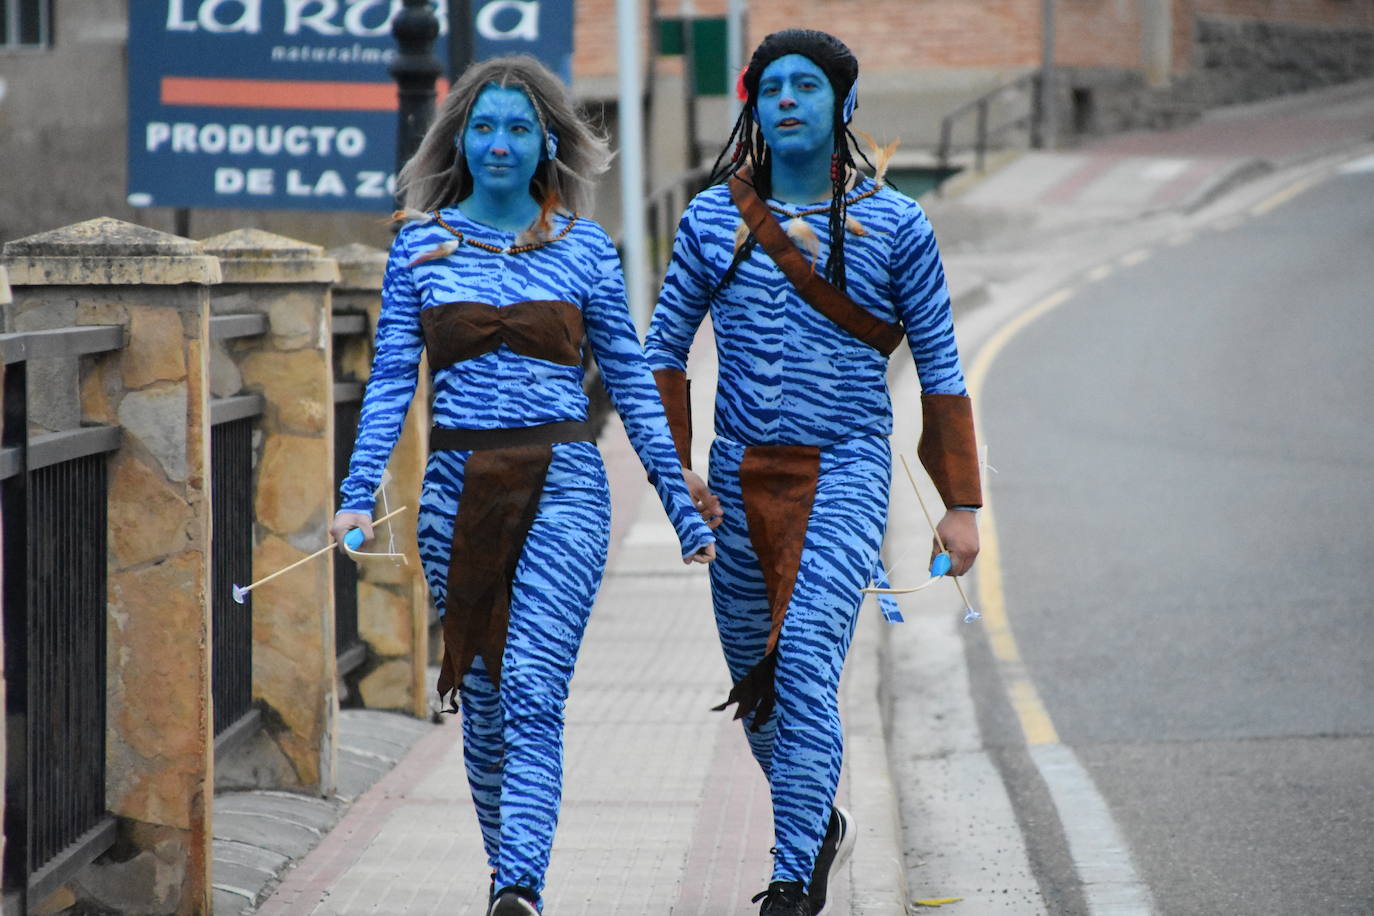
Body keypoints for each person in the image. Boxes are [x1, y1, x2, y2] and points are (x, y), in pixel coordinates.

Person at [331, 55, 715, 916]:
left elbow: (632, 378)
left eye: (517, 127)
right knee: (486, 693)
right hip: (455, 491)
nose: (499, 144)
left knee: (536, 685)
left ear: (548, 140)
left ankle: (518, 887)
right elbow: (391, 381)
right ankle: (511, 869)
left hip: (567, 484)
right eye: (483, 127)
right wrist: (357, 494)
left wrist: (679, 501)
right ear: (460, 140)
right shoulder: (420, 244)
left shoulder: (585, 247)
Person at [644, 29, 982, 916]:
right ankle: (818, 821)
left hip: (847, 471)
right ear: (754, 106)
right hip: (738, 474)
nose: (788, 98)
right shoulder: (713, 219)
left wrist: (962, 506)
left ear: (844, 105)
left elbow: (941, 367)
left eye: (808, 85)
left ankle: (793, 881)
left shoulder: (898, 225)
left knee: (802, 664)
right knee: (756, 685)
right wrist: (675, 473)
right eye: (773, 87)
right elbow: (663, 355)